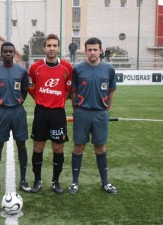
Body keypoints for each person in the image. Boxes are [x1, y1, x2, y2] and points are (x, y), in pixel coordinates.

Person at [68, 37, 117, 195]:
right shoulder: (78, 69)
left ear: (101, 51)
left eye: (95, 49)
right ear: (85, 51)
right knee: (78, 147)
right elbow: (73, 92)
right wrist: (77, 110)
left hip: (100, 114)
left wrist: (107, 107)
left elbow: (111, 90)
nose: (92, 52)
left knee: (100, 147)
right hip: (82, 113)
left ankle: (105, 182)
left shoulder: (108, 69)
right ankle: (74, 183)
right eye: (89, 49)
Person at [28, 34, 73, 194]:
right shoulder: (35, 68)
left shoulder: (67, 68)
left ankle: (55, 181)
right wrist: (41, 99)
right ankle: (37, 181)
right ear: (44, 48)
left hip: (58, 114)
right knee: (38, 148)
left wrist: (57, 100)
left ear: (58, 47)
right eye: (49, 45)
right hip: (40, 113)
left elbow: (68, 91)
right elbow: (31, 88)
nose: (52, 48)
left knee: (58, 149)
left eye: (54, 45)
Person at [0, 42, 31, 194]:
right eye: (5, 51)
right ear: (1, 53)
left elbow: (25, 91)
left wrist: (18, 103)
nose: (8, 53)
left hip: (18, 112)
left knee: (21, 145)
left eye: (10, 51)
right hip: (1, 112)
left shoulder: (22, 71)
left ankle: (23, 180)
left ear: (14, 53)